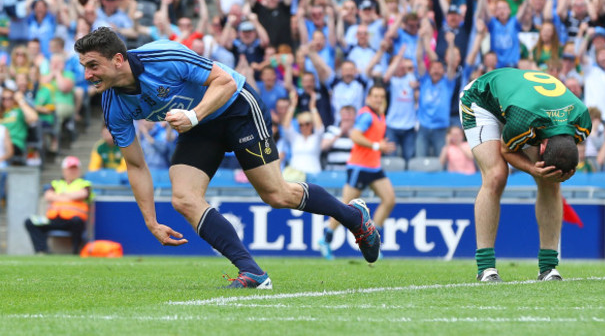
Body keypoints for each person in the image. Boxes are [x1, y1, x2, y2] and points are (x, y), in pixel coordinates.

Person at [74, 27, 380, 289]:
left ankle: (354, 218)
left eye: (93, 66)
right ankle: (252, 272)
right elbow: (137, 165)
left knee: (276, 194)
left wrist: (193, 116)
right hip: (199, 124)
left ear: (117, 60)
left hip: (236, 106)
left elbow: (226, 82)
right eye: (84, 67)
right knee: (182, 197)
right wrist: (151, 222)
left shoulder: (164, 56)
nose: (87, 75)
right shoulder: (113, 104)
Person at [459, 67, 591, 282]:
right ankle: (485, 268)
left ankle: (548, 267)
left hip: (527, 107)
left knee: (550, 179)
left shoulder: (581, 119)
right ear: (542, 144)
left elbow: (567, 148)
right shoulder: (524, 120)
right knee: (496, 176)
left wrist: (564, 169)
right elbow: (506, 150)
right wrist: (532, 168)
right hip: (483, 100)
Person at [318, 85, 396, 261]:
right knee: (345, 206)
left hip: (374, 166)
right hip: (359, 166)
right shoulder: (367, 114)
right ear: (368, 97)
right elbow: (355, 135)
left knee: (389, 200)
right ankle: (326, 239)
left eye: (381, 96)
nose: (378, 99)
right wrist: (377, 145)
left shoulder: (380, 115)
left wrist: (378, 144)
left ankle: (373, 240)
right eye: (375, 96)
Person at [24, 156, 93, 254]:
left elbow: (82, 194)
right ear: (64, 170)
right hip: (53, 219)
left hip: (72, 220)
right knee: (30, 221)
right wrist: (70, 196)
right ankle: (42, 251)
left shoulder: (84, 183)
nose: (72, 171)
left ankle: (75, 251)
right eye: (70, 168)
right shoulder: (56, 183)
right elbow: (48, 196)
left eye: (75, 168)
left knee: (77, 222)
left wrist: (59, 195)